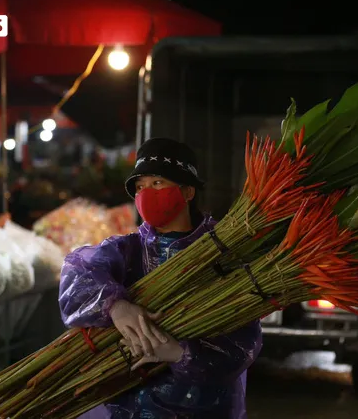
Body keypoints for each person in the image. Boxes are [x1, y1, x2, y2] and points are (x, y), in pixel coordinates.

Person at [59, 138, 262, 419]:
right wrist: (114, 306)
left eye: (157, 183)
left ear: (188, 191)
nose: (145, 193)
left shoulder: (222, 255)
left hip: (205, 410)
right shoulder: (127, 250)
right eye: (140, 187)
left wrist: (181, 354)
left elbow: (243, 344)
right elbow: (76, 276)